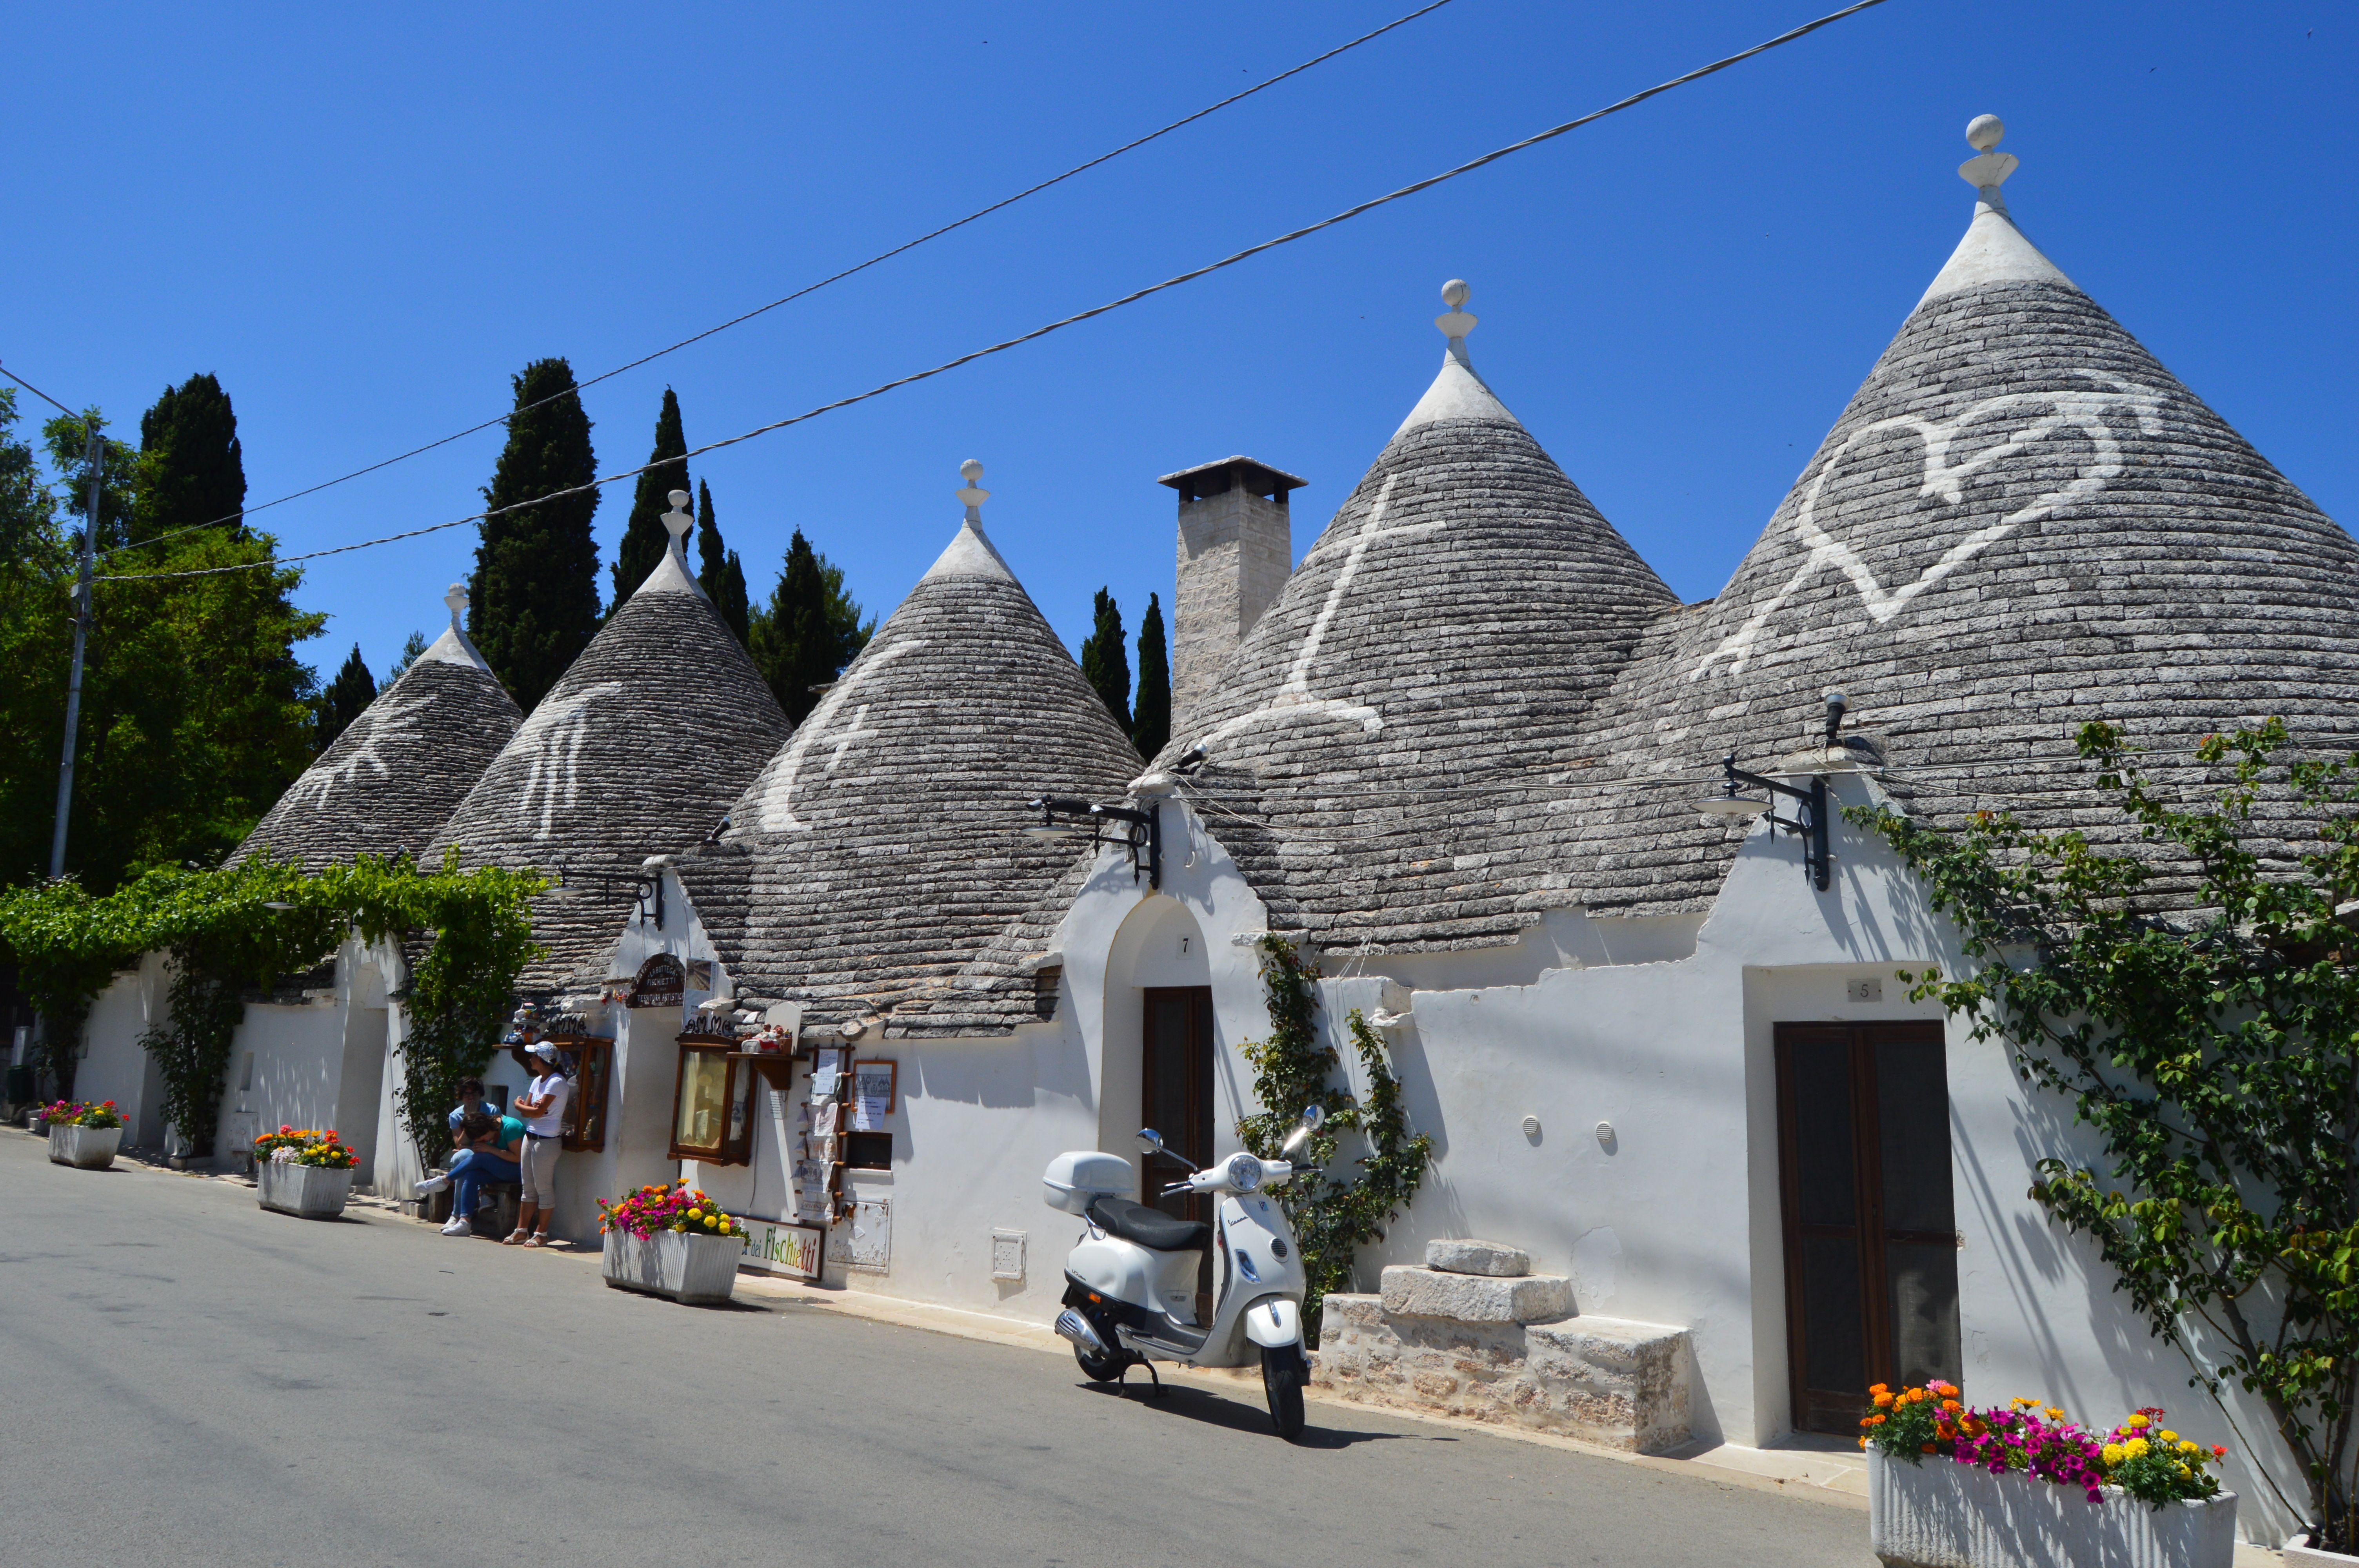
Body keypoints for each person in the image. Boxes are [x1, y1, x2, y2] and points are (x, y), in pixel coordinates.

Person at [414, 1111, 523, 1235]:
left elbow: (518, 1158)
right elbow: (462, 1144)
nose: (482, 1142)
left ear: (488, 1128)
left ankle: (445, 1180)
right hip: (500, 1171)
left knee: (481, 1158)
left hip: (518, 1172)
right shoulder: (487, 1131)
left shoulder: (511, 1127)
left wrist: (489, 1149)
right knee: (471, 1175)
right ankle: (464, 1221)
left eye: (482, 1139)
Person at [507, 1042, 572, 1247]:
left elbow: (531, 1110)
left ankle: (542, 1233)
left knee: (543, 1188)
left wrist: (522, 1106)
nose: (531, 1059)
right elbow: (529, 1109)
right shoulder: (538, 1081)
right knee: (528, 1188)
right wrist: (527, 1108)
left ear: (543, 1059)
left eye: (534, 1056)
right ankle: (521, 1231)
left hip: (547, 1141)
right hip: (531, 1136)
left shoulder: (556, 1082)